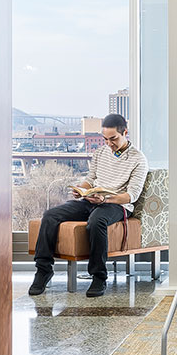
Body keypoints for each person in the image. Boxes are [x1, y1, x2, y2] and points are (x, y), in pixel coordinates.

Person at [29, 114, 148, 298]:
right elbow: (91, 179)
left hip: (116, 205)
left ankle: (99, 276)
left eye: (113, 139)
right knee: (51, 215)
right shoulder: (100, 153)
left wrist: (105, 200)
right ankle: (43, 270)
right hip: (92, 200)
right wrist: (81, 190)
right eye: (105, 139)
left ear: (125, 132)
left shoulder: (138, 159)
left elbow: (131, 195)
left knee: (96, 221)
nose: (109, 144)